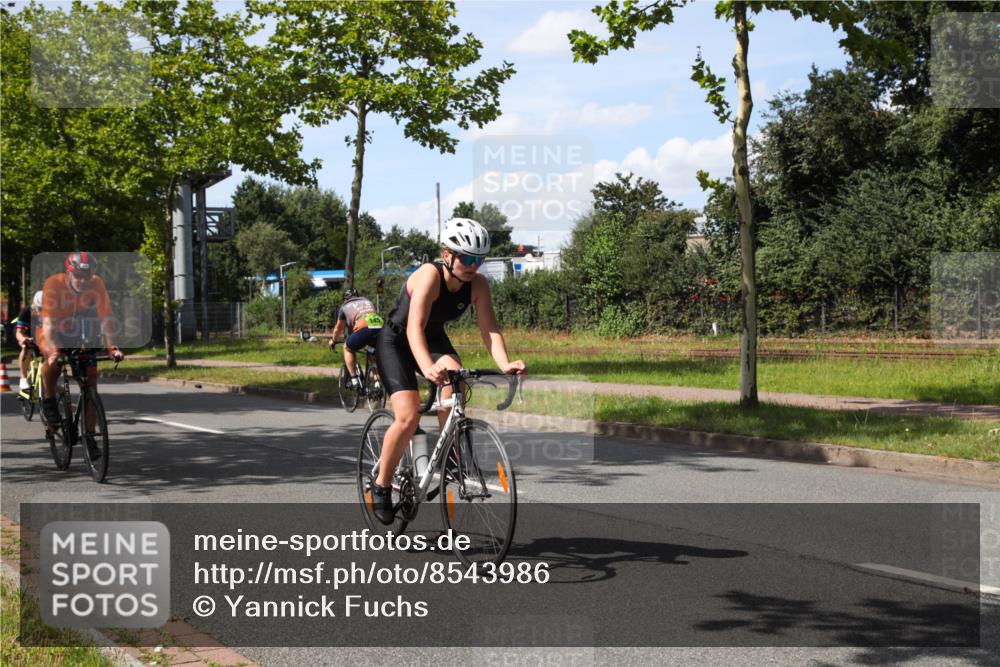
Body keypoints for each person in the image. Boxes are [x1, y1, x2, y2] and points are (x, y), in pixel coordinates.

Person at [370, 218, 526, 524]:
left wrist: (505, 364)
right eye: (467, 258)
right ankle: (381, 485)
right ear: (447, 254)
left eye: (478, 260)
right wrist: (428, 367)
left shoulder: (478, 285)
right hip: (397, 340)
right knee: (408, 415)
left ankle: (449, 453)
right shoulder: (429, 275)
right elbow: (414, 328)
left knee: (457, 376)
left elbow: (489, 330)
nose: (473, 266)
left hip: (433, 338)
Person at [38, 252, 124, 432]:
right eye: (78, 276)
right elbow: (48, 324)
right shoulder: (54, 284)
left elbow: (106, 318)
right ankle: (49, 399)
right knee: (54, 363)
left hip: (78, 333)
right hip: (52, 331)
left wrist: (112, 348)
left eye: (87, 276)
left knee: (90, 386)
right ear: (69, 273)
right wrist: (54, 351)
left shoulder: (96, 283)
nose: (83, 281)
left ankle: (90, 437)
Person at [328, 288, 384, 387]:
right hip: (381, 327)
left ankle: (354, 380)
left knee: (347, 348)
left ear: (345, 299)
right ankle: (377, 384)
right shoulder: (367, 301)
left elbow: (338, 328)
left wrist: (333, 340)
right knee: (371, 353)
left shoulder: (344, 306)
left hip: (365, 326)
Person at [11, 291, 43, 398]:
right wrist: (24, 339)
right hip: (23, 330)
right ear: (34, 305)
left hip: (38, 331)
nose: (41, 312)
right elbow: (19, 333)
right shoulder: (26, 311)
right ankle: (23, 378)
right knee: (27, 346)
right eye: (39, 309)